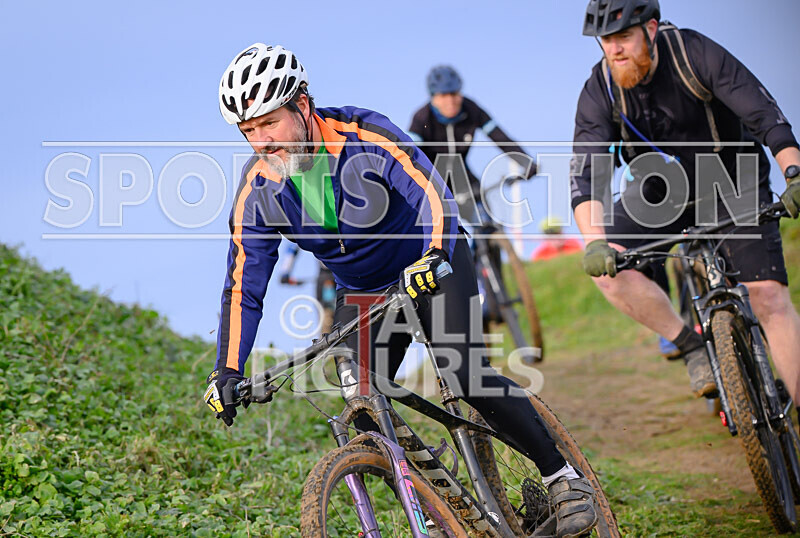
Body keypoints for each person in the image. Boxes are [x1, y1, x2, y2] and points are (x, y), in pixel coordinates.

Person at [203, 43, 597, 535]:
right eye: (249, 130)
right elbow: (243, 286)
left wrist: (433, 253)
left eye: (270, 123)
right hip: (363, 291)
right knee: (361, 405)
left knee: (463, 371)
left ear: (302, 105)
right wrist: (229, 368)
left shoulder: (364, 135)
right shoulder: (258, 192)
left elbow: (432, 192)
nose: (262, 140)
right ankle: (438, 504)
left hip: (432, 261)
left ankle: (562, 477)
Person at [572, 0, 800, 402]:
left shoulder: (694, 54)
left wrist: (793, 173)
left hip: (733, 180)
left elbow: (765, 116)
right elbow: (587, 171)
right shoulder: (600, 88)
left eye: (623, 36)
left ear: (651, 29)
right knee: (608, 272)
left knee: (767, 296)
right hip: (661, 191)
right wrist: (595, 241)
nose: (614, 49)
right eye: (605, 40)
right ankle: (692, 347)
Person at [409, 65, 536, 221]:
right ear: (433, 97)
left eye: (454, 94)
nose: (450, 101)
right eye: (443, 95)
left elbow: (499, 137)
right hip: (432, 177)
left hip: (463, 175)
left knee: (486, 223)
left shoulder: (471, 109)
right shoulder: (422, 118)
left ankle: (488, 241)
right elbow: (410, 154)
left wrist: (525, 161)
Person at [278, 243, 336, 334]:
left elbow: (293, 245)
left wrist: (285, 273)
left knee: (329, 318)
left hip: (328, 277)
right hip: (330, 278)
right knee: (329, 316)